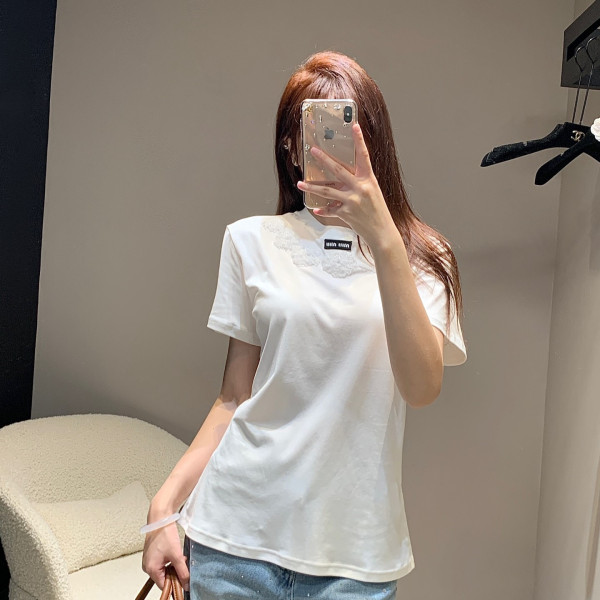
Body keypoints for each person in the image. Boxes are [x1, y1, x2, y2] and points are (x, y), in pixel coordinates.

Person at [141, 50, 468, 600]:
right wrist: (164, 505)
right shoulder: (249, 241)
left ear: (374, 143)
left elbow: (421, 387)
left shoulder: (425, 259)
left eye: (345, 131)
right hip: (232, 539)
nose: (324, 149)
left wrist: (383, 237)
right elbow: (234, 398)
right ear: (290, 148)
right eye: (310, 132)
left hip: (354, 558)